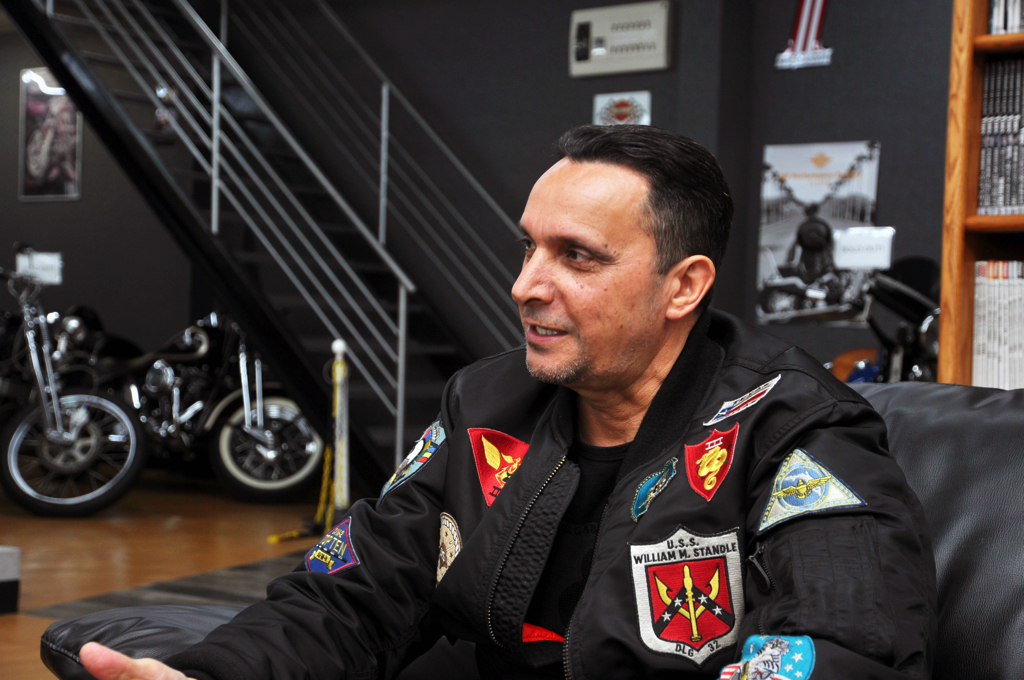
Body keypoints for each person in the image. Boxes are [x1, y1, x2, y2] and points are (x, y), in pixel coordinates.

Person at [80, 125, 936, 680]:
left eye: (577, 257)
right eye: (528, 248)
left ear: (683, 287)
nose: (527, 285)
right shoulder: (485, 402)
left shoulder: (795, 427)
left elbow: (844, 645)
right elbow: (354, 589)